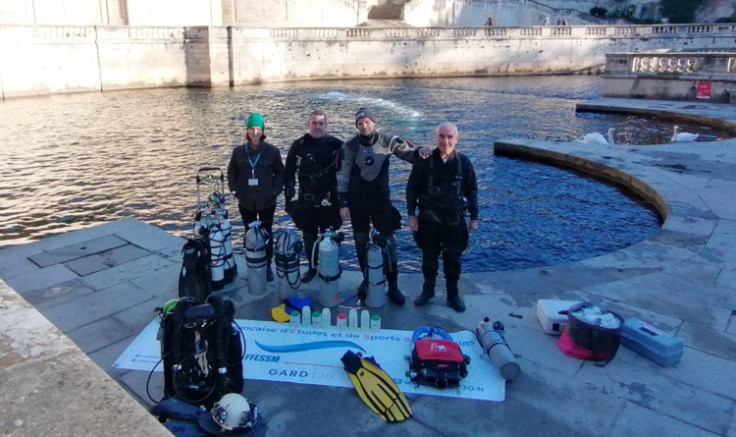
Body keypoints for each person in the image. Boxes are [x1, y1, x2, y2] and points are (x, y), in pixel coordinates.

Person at [337, 107, 431, 305]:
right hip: (358, 204)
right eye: (360, 123)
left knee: (389, 244)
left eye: (367, 122)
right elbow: (343, 176)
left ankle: (393, 286)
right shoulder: (350, 147)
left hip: (381, 202)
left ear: (374, 122)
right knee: (361, 244)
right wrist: (343, 203)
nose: (364, 126)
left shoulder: (389, 141)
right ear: (357, 125)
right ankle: (368, 280)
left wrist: (421, 151)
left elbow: (409, 155)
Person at [406, 122, 478, 312]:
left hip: (455, 221)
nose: (445, 140)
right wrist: (411, 215)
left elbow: (472, 190)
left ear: (456, 139)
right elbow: (411, 188)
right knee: (428, 258)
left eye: (449, 137)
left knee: (453, 260)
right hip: (428, 220)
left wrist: (474, 217)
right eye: (442, 136)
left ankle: (452, 295)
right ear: (436, 137)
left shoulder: (464, 162)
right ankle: (428, 291)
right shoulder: (424, 160)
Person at [284, 110, 343, 282]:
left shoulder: (336, 145)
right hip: (306, 200)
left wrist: (344, 200)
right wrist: (289, 192)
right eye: (314, 123)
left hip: (329, 201)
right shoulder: (299, 145)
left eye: (321, 123)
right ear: (308, 125)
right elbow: (289, 171)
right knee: (309, 236)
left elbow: (348, 170)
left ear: (327, 125)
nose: (317, 127)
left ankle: (329, 266)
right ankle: (311, 268)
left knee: (328, 236)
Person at [227, 113, 284, 282]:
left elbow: (280, 173)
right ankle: (253, 264)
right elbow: (232, 173)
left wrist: (275, 191)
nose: (255, 132)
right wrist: (234, 190)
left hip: (267, 201)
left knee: (267, 234)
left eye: (258, 129)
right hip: (245, 201)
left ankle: (266, 266)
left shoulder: (272, 151)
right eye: (252, 129)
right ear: (247, 131)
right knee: (249, 234)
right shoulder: (238, 152)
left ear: (263, 131)